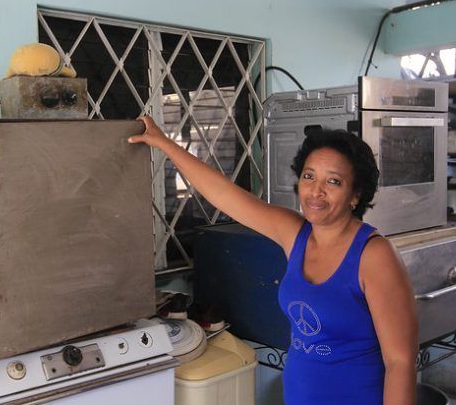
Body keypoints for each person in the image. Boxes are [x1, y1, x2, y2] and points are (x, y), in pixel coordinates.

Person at [129, 116, 418, 405]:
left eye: (333, 181)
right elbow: (223, 194)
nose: (316, 191)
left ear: (355, 194)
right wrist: (163, 143)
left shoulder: (373, 255)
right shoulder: (297, 234)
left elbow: (400, 361)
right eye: (309, 176)